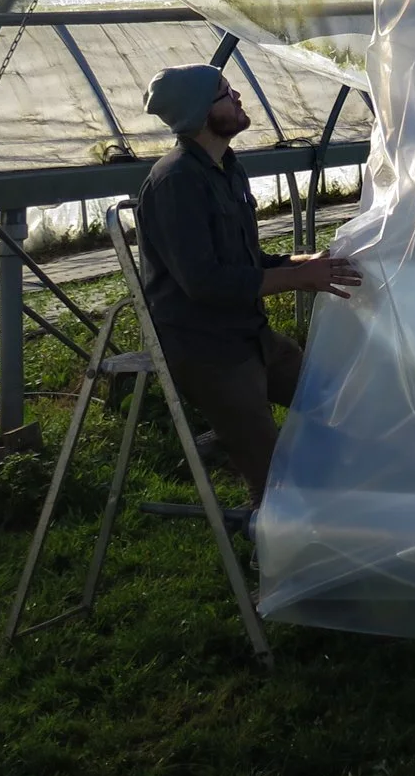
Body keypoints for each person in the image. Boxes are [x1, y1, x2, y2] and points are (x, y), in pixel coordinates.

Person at [136, 64, 362, 508]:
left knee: (339, 404)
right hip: (207, 349)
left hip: (252, 336)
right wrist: (297, 279)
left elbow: (244, 262)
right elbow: (205, 283)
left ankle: (235, 437)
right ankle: (273, 559)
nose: (237, 96)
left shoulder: (227, 168)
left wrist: (305, 263)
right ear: (200, 112)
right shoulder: (176, 181)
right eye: (224, 92)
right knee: (273, 476)